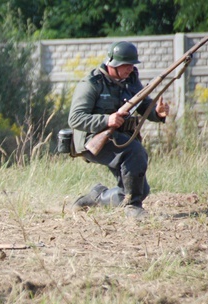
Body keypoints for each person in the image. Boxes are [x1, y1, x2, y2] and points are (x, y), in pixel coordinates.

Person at [68, 41, 170, 218]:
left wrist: (157, 113)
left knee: (139, 189)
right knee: (135, 151)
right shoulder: (92, 84)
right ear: (112, 64)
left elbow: (144, 105)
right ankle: (133, 207)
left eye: (132, 65)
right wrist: (108, 120)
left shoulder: (131, 81)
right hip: (91, 141)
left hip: (117, 138)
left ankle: (97, 197)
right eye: (125, 65)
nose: (130, 69)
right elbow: (75, 119)